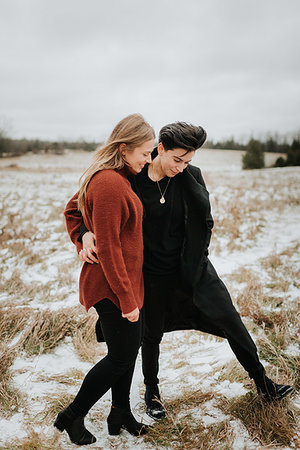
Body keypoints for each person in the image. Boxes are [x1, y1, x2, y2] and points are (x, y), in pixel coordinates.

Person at [75, 122, 294, 422]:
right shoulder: (132, 177)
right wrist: (85, 233)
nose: (181, 167)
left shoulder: (192, 177)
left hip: (193, 270)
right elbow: (86, 204)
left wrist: (200, 255)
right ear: (159, 149)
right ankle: (152, 392)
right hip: (150, 275)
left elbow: (204, 220)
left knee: (231, 321)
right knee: (150, 336)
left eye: (188, 161)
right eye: (177, 160)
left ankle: (263, 384)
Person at [54, 114, 155, 445]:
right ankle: (72, 416)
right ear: (124, 149)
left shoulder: (119, 178)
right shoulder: (110, 183)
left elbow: (74, 209)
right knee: (121, 358)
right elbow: (110, 248)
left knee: (126, 351)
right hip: (112, 286)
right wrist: (127, 300)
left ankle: (120, 413)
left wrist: (82, 232)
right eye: (145, 152)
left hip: (125, 282)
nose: (148, 158)